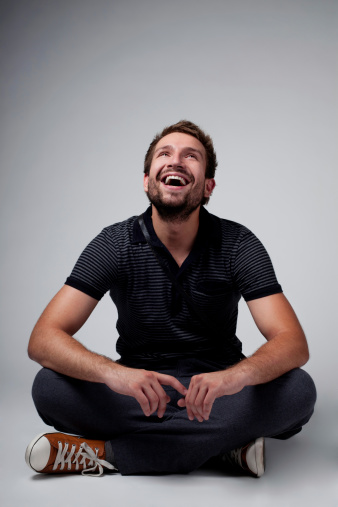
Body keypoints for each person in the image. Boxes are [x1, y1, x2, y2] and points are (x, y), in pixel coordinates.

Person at [25, 120, 316, 478]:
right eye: (165, 154)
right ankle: (222, 448)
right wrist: (114, 374)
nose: (176, 161)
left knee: (299, 390)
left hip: (218, 395)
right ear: (147, 180)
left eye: (191, 156)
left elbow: (293, 343)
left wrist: (235, 378)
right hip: (141, 393)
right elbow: (43, 338)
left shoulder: (238, 243)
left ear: (207, 186)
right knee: (48, 387)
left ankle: (104, 454)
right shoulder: (114, 243)